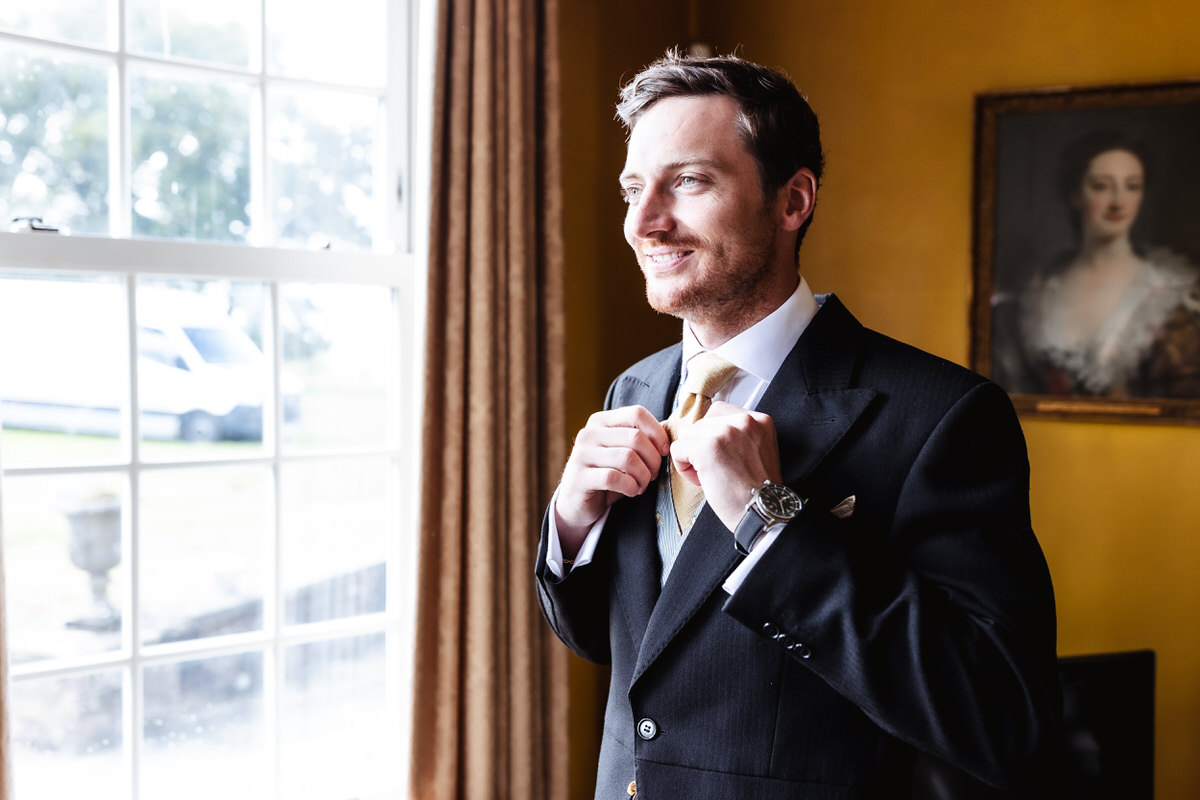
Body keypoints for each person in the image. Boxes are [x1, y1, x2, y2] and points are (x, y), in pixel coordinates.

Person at [535, 50, 1059, 799]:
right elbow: (631, 648)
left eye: (687, 181)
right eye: (632, 188)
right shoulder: (638, 387)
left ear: (792, 202)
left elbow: (999, 716)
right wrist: (572, 523)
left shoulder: (943, 417)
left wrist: (771, 521)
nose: (644, 221)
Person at [993, 130, 1200, 398]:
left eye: (1132, 186)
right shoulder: (1039, 286)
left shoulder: (1168, 294)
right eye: (1101, 186)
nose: (1118, 202)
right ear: (1075, 195)